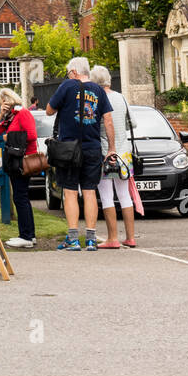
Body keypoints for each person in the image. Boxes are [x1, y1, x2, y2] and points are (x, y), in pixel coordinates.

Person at [46, 56, 115, 251]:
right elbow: (107, 120)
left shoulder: (67, 86)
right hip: (92, 148)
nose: (68, 75)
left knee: (69, 192)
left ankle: (74, 238)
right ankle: (91, 239)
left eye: (69, 73)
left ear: (74, 72)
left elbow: (50, 110)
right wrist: (111, 148)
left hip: (69, 148)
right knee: (90, 191)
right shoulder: (99, 90)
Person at [90, 65, 138, 249]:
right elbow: (133, 122)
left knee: (106, 195)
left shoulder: (96, 99)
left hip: (105, 152)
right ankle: (131, 237)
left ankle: (112, 238)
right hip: (124, 153)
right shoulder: (121, 98)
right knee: (125, 195)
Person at [0, 87, 37, 249]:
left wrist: (8, 137)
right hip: (15, 161)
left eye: (1, 104)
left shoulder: (22, 113)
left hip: (24, 160)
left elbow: (32, 135)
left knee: (20, 197)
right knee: (21, 196)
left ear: (7, 100)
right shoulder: (10, 117)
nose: (0, 106)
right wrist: (1, 115)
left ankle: (26, 236)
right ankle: (30, 234)